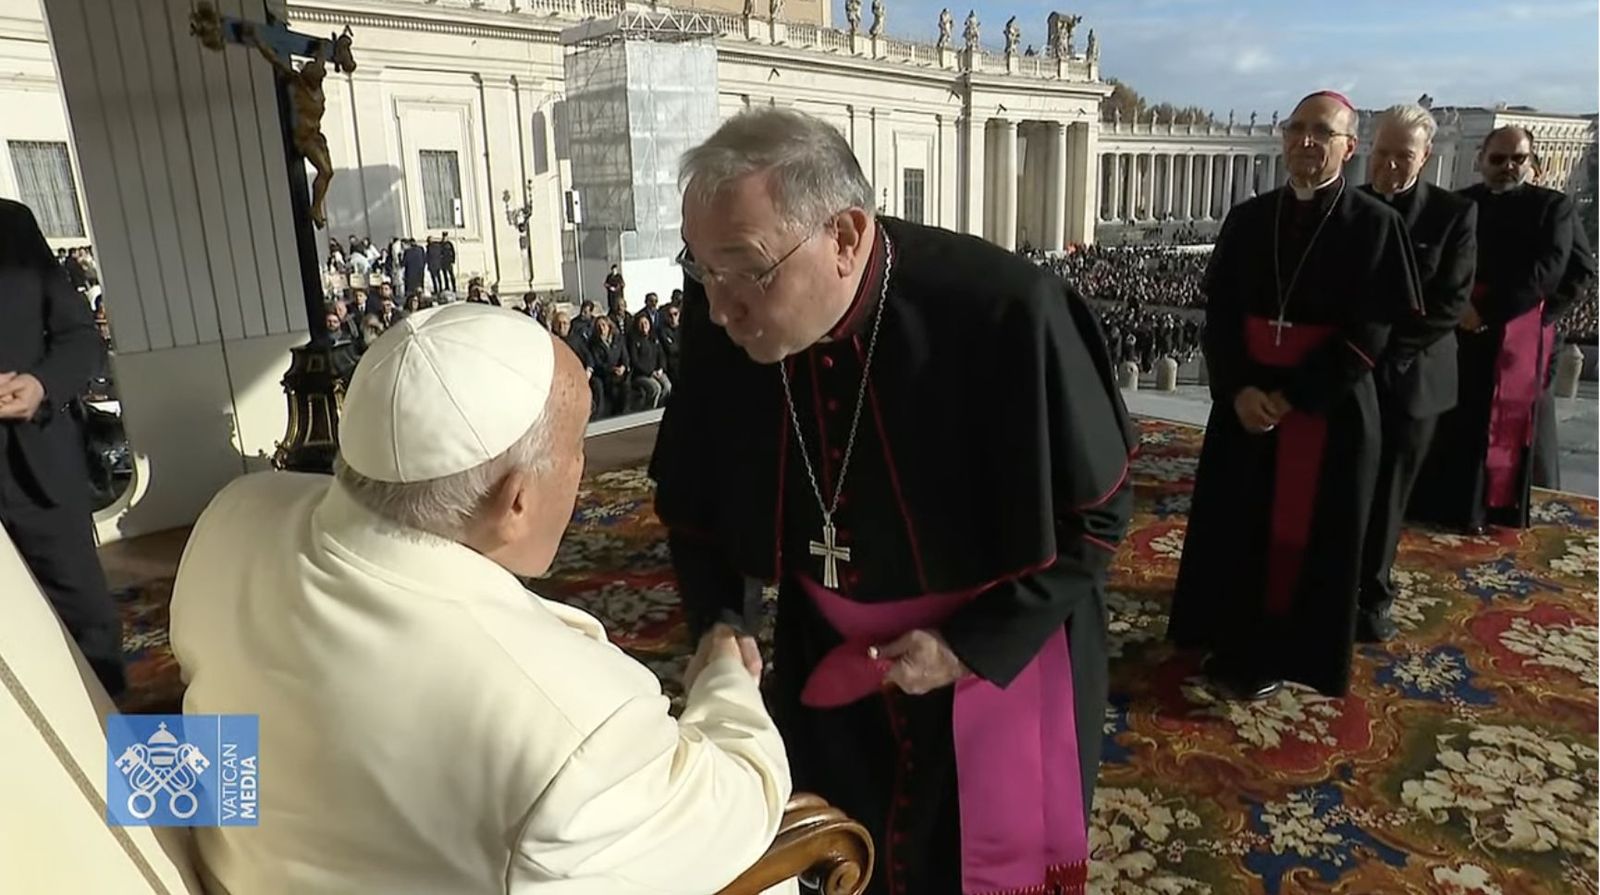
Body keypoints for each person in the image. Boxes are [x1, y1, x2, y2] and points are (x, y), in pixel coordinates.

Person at [652, 107, 1134, 895]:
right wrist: (721, 617)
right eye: (703, 269)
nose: (719, 308)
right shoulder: (728, 318)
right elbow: (697, 498)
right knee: (844, 851)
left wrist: (968, 644)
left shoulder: (1006, 310)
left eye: (746, 270)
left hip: (989, 654)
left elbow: (1098, 515)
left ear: (844, 237)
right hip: (825, 660)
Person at [169, 304, 791, 894]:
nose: (580, 464)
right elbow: (739, 801)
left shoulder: (233, 517)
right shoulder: (574, 727)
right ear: (514, 501)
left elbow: (212, 742)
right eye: (578, 447)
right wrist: (726, 681)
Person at [1167, 91, 1421, 701]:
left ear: (1348, 147)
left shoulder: (1377, 226)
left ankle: (1295, 652)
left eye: (1322, 133)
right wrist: (1240, 388)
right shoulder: (1249, 219)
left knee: (1313, 541)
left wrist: (1292, 397)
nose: (1306, 141)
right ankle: (1229, 640)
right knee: (1236, 527)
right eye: (1297, 128)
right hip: (1245, 405)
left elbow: (1371, 335)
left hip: (1329, 411)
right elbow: (1220, 316)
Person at [1410, 126, 1575, 531]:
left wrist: (1521, 316)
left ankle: (1493, 508)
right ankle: (1444, 505)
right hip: (1460, 327)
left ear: (1531, 162)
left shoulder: (1553, 207)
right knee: (1454, 421)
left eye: (1517, 159)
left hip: (1514, 331)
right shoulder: (1460, 203)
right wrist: (1460, 306)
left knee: (1502, 426)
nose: (1507, 167)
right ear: (1480, 159)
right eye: (1498, 159)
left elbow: (1551, 270)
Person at [1354, 104, 1478, 643]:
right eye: (1380, 153)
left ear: (1425, 157)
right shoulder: (1349, 205)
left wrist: (1374, 353)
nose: (1387, 165)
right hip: (1349, 377)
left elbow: (1449, 305)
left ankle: (1374, 596)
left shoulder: (1452, 214)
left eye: (1402, 156)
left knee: (1388, 496)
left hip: (1410, 380)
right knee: (1339, 488)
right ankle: (1330, 587)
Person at [0, 199, 124, 697]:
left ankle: (112, 761)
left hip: (36, 471)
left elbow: (79, 339)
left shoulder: (12, 225)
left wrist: (40, 384)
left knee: (91, 627)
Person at [1530, 221, 1594, 488]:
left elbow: (1580, 270)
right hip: (1477, 330)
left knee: (1534, 422)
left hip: (1532, 333)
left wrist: (1544, 313)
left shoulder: (1555, 210)